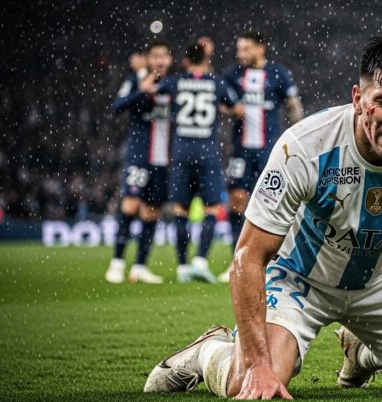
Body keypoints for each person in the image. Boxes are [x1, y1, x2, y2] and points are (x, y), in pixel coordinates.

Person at [143, 34, 382, 399]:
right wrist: (257, 365)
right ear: (358, 100)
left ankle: (365, 352)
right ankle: (210, 350)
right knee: (249, 382)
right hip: (300, 279)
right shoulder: (305, 146)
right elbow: (248, 256)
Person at [141, 42, 234, 284]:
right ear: (206, 59)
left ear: (185, 59)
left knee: (180, 210)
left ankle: (182, 266)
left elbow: (148, 89)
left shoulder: (175, 81)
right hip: (207, 153)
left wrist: (154, 72)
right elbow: (238, 108)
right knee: (213, 209)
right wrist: (221, 107)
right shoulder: (216, 82)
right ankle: (200, 261)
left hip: (181, 153)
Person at [218, 31, 304, 282]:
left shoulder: (278, 73)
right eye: (239, 49)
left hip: (271, 151)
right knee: (237, 201)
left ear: (260, 48)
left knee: (275, 203)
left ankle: (275, 262)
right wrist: (231, 109)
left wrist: (298, 135)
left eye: (245, 49)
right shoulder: (233, 75)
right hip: (240, 150)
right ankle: (238, 260)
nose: (240, 54)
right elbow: (219, 100)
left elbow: (293, 104)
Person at [105, 41, 173, 284]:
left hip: (164, 160)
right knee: (131, 205)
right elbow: (116, 106)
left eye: (164, 56)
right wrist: (141, 90)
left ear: (169, 60)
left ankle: (140, 266)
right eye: (155, 56)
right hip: (139, 156)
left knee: (152, 212)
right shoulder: (135, 80)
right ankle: (117, 263)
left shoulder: (173, 85)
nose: (160, 61)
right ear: (148, 59)